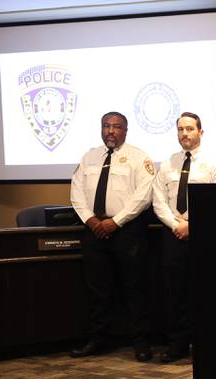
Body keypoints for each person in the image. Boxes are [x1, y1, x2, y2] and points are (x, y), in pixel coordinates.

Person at [70, 111, 155, 361]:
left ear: (125, 131)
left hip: (127, 231)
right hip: (94, 230)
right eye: (106, 126)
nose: (110, 131)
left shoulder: (139, 158)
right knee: (98, 289)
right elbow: (76, 192)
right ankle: (97, 339)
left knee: (134, 288)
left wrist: (115, 222)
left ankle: (141, 343)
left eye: (116, 127)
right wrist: (92, 220)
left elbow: (144, 195)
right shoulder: (89, 157)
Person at [152, 112, 216, 363]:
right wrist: (176, 224)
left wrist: (191, 224)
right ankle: (177, 345)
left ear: (200, 132)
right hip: (172, 234)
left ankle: (203, 344)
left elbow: (214, 198)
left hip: (201, 234)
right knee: (174, 292)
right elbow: (158, 200)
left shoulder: (215, 164)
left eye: (190, 129)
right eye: (181, 129)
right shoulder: (167, 164)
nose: (185, 134)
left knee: (201, 291)